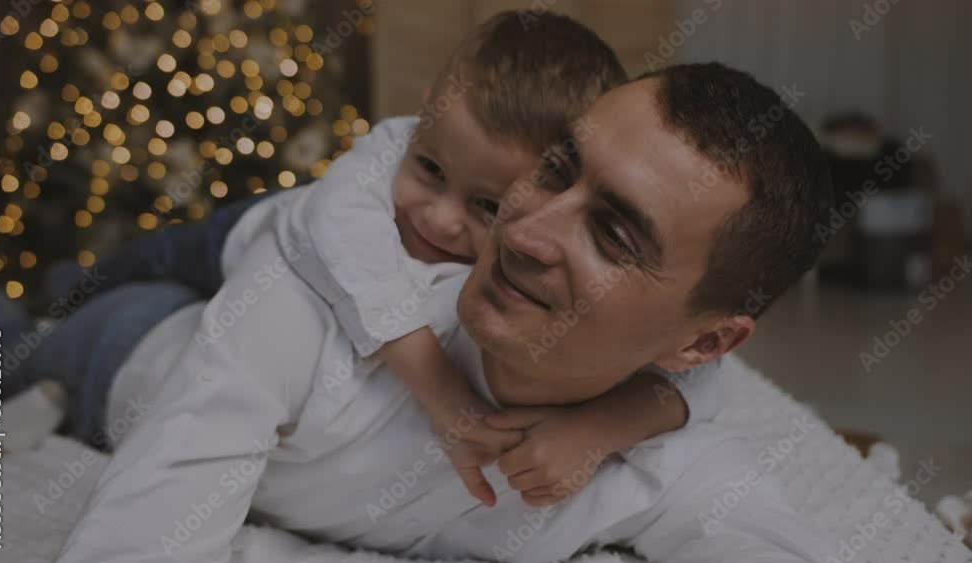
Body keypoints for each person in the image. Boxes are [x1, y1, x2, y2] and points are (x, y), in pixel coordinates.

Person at [45, 62, 834, 562]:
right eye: (555, 170)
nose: (518, 232)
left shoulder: (654, 448)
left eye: (612, 233)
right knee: (7, 341)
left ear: (705, 342)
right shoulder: (316, 304)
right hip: (129, 343)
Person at [39, 12, 717, 506]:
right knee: (137, 264)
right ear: (422, 120)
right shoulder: (374, 169)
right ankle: (69, 289)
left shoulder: (520, 265)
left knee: (155, 312)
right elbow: (344, 243)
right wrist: (442, 392)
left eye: (486, 206)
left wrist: (605, 423)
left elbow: (699, 381)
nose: (437, 217)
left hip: (200, 310)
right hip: (254, 232)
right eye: (428, 168)